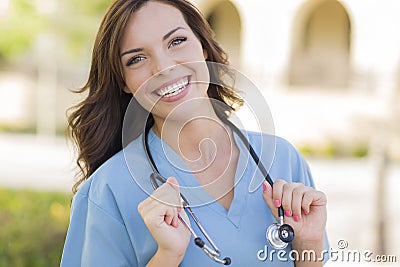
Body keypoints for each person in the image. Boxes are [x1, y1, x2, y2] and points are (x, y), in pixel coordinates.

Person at [61, 0, 329, 266]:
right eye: (137, 58)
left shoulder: (283, 160)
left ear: (203, 46)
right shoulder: (106, 192)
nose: (163, 67)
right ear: (123, 82)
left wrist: (309, 245)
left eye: (176, 41)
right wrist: (167, 256)